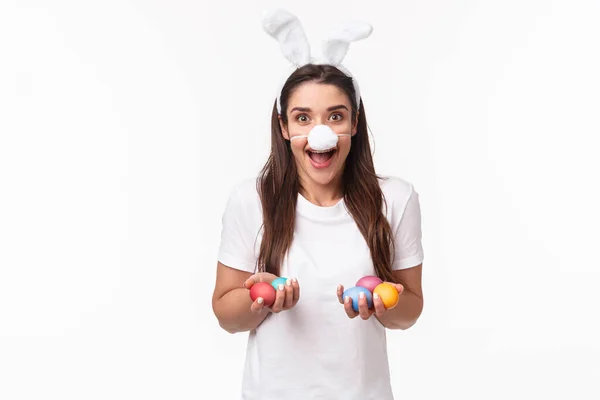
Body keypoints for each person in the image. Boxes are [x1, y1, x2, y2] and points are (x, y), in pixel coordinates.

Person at [211, 9, 425, 400]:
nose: (320, 133)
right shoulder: (250, 200)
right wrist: (261, 299)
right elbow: (226, 315)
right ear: (284, 127)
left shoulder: (396, 198)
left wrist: (381, 301)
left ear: (355, 123)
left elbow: (409, 311)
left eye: (335, 116)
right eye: (303, 117)